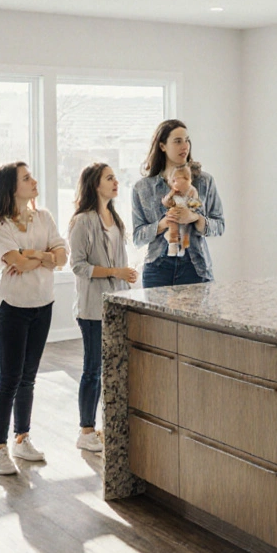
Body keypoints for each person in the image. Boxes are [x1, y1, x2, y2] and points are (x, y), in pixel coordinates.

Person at [0, 162, 67, 476]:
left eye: (32, 175)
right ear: (11, 187)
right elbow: (16, 260)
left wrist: (37, 256)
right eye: (26, 178)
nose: (34, 181)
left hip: (43, 305)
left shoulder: (44, 217)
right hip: (13, 308)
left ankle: (22, 438)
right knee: (10, 380)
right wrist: (41, 255)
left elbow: (61, 257)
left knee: (29, 378)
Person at [68, 163, 137, 453]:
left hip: (117, 304)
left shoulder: (115, 219)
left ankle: (107, 426)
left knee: (115, 367)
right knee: (93, 368)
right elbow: (78, 266)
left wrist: (124, 277)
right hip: (92, 308)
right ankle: (86, 430)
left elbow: (119, 262)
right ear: (96, 184)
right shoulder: (83, 221)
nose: (116, 182)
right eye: (110, 178)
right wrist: (116, 272)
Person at [132, 119, 225, 286]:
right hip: (157, 270)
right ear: (162, 146)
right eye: (178, 141)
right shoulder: (142, 187)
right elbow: (137, 237)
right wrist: (163, 224)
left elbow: (219, 226)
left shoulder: (204, 181)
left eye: (187, 140)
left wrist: (196, 218)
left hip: (196, 268)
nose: (185, 146)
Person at [160, 163, 201, 257]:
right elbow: (166, 203)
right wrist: (170, 195)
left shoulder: (192, 191)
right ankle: (172, 244)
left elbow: (195, 205)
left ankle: (182, 247)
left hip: (186, 217)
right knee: (172, 221)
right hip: (175, 215)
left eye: (174, 180)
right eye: (171, 181)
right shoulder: (175, 193)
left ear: (186, 179)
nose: (172, 184)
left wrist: (190, 211)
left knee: (185, 234)